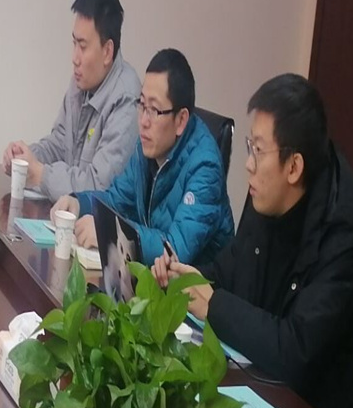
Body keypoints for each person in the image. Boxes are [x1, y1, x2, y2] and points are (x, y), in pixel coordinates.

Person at [153, 74, 353, 408]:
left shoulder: (340, 238)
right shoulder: (268, 195)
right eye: (248, 147)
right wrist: (186, 278)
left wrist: (214, 305)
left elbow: (295, 350)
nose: (248, 165)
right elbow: (230, 269)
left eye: (258, 150)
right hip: (266, 394)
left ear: (294, 167)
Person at [51, 49, 233, 266]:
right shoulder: (146, 148)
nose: (144, 121)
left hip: (195, 284)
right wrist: (78, 203)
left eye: (154, 110)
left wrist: (108, 231)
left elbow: (176, 250)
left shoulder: (206, 167)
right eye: (142, 105)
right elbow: (117, 200)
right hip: (149, 276)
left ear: (181, 120)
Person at [2, 0, 141, 200]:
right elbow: (60, 144)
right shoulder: (80, 83)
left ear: (107, 51)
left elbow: (99, 187)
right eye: (74, 43)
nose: (75, 58)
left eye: (83, 47)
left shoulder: (126, 99)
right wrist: (25, 158)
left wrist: (41, 175)